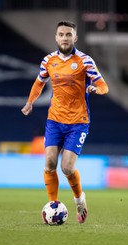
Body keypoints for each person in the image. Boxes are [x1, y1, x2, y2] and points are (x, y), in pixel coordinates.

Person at [22, 20, 109, 224]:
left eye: (68, 34)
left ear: (75, 38)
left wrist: (97, 89)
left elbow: (104, 85)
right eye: (61, 34)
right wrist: (30, 103)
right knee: (50, 163)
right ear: (56, 37)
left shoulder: (85, 61)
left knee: (67, 168)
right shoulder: (48, 61)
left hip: (78, 122)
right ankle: (54, 205)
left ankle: (79, 200)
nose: (64, 38)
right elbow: (39, 82)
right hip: (55, 120)